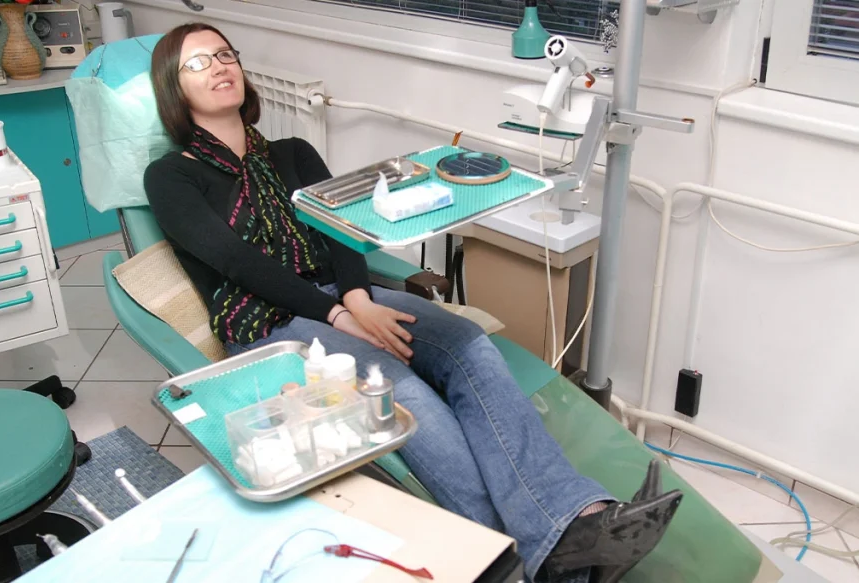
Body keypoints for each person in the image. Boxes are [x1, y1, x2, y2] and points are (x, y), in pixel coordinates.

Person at [143, 22, 682, 583]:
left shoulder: (294, 153)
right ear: (173, 88)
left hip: (346, 297)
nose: (220, 67)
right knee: (403, 390)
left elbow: (343, 230)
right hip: (272, 324)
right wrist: (340, 315)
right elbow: (236, 261)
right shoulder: (170, 178)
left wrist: (357, 297)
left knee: (469, 346)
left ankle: (577, 522)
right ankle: (513, 561)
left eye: (225, 54)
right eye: (198, 63)